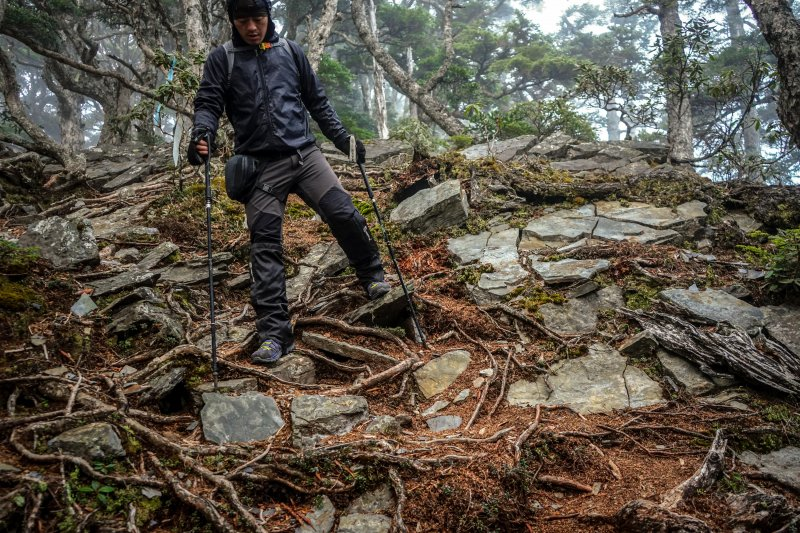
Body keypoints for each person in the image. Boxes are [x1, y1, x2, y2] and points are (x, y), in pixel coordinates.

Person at [188, 0, 389, 364]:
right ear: (233, 21)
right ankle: (274, 335)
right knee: (265, 247)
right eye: (244, 20)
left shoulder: (291, 52)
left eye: (259, 19)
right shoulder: (223, 58)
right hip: (260, 168)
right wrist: (202, 132)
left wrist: (344, 139)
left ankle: (372, 275)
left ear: (269, 17)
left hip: (305, 156)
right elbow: (208, 102)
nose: (253, 27)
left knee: (343, 213)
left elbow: (316, 101)